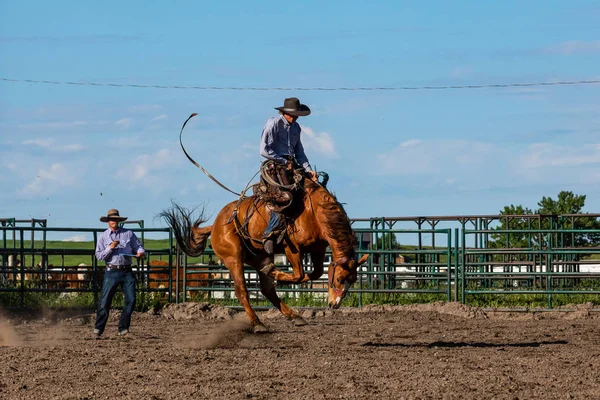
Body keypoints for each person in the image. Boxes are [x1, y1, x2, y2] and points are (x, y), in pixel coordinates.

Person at [259, 97, 317, 273]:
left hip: (292, 165)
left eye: (297, 115)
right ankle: (269, 233)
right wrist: (283, 160)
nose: (296, 118)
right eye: (294, 115)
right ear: (285, 113)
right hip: (274, 166)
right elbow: (264, 150)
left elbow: (300, 152)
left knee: (313, 192)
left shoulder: (296, 128)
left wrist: (308, 170)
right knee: (286, 195)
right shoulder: (273, 124)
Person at [93, 209, 145, 338]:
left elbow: (139, 246)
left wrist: (140, 252)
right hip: (111, 270)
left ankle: (123, 328)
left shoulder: (128, 234)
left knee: (131, 299)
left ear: (119, 221)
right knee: (105, 302)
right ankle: (98, 328)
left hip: (126, 270)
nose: (114, 221)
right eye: (112, 219)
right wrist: (110, 247)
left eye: (116, 219)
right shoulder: (103, 237)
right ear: (108, 221)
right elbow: (99, 256)